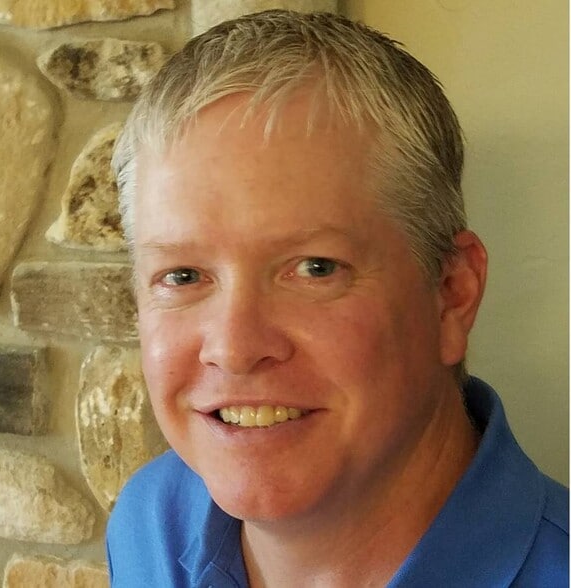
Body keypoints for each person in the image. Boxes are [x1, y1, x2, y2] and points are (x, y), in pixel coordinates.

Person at [106, 9, 568, 587]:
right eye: (182, 276)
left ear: (452, 294)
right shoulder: (150, 525)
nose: (235, 348)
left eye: (315, 269)